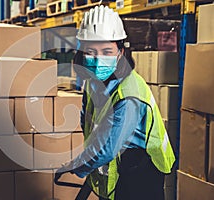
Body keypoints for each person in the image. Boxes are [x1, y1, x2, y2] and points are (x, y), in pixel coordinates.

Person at [55, 5, 176, 200]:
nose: (98, 59)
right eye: (90, 51)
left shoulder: (129, 95)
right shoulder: (92, 81)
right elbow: (89, 122)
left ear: (120, 52)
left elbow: (107, 148)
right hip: (120, 162)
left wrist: (77, 165)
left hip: (141, 169)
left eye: (107, 51)